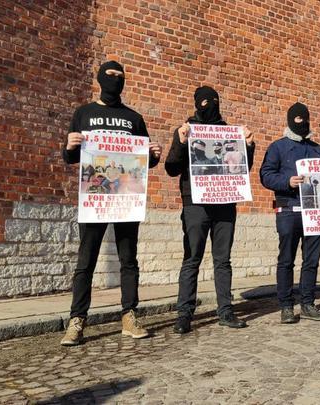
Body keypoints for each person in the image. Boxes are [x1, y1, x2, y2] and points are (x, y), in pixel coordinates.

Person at [60, 61, 162, 346]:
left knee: (129, 260)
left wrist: (154, 155)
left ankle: (129, 315)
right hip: (95, 199)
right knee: (86, 261)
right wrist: (69, 145)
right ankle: (77, 320)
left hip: (126, 199)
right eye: (110, 75)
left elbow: (143, 162)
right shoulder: (84, 113)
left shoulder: (134, 118)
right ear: (100, 78)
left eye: (120, 76)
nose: (115, 80)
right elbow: (71, 157)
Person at [165, 85, 255, 334]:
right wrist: (181, 142)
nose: (209, 105)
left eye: (213, 101)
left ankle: (225, 310)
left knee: (223, 260)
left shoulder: (229, 132)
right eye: (205, 102)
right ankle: (184, 314)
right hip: (195, 203)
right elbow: (171, 168)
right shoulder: (187, 129)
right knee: (192, 258)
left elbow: (242, 170)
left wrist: (248, 146)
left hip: (225, 203)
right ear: (197, 104)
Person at [260, 102, 320, 323]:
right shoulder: (277, 147)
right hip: (289, 209)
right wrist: (287, 181)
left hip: (315, 211)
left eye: (305, 118)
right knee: (286, 260)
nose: (302, 122)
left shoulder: (317, 149)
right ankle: (286, 306)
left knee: (312, 260)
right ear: (290, 120)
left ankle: (308, 303)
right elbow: (266, 175)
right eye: (298, 118)